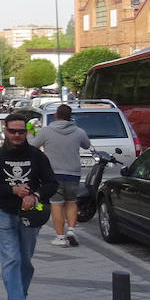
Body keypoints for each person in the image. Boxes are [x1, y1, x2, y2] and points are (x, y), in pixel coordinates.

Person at [0, 112, 58, 300]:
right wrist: (12, 190)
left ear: (27, 132)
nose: (17, 135)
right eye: (13, 131)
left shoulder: (36, 156)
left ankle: (22, 296)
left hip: (30, 217)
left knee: (25, 260)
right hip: (4, 213)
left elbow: (52, 183)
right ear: (5, 130)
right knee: (11, 259)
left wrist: (35, 196)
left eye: (21, 131)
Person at [33, 104, 90, 247]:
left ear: (56, 115)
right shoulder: (78, 131)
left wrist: (30, 131)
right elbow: (87, 145)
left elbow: (33, 145)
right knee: (71, 202)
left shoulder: (46, 131)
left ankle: (60, 237)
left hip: (53, 174)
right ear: (71, 117)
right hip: (73, 173)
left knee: (56, 204)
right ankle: (71, 230)